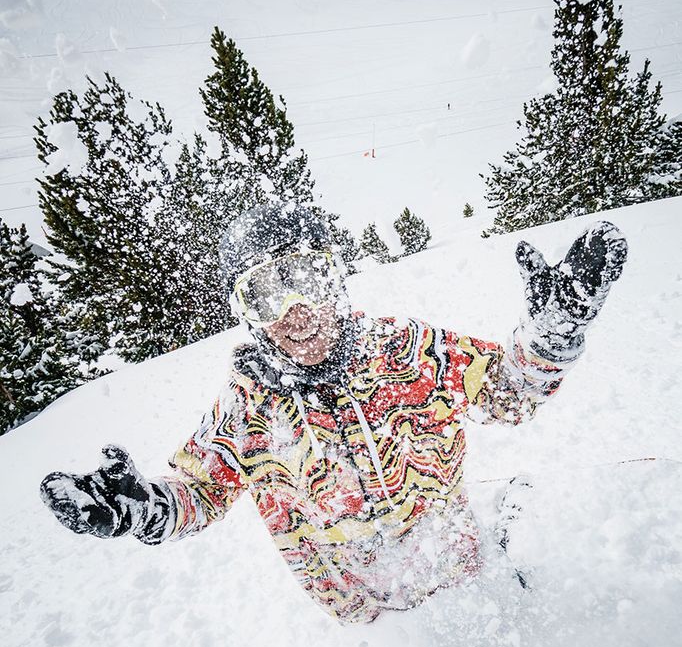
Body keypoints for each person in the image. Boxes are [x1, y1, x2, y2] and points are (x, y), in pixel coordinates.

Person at [40, 202, 628, 624]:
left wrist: (551, 340)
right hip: (373, 619)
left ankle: (508, 546)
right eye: (269, 293)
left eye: (307, 279)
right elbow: (200, 486)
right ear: (250, 313)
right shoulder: (249, 406)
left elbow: (506, 392)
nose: (294, 310)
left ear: (335, 280)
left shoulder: (406, 350)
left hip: (459, 570)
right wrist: (149, 510)